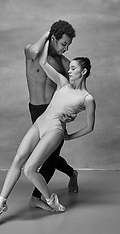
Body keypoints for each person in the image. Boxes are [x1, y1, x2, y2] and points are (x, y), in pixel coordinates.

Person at [0, 39, 96, 227]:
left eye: (73, 68)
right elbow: (42, 62)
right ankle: (1, 203)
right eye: (69, 68)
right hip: (40, 123)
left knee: (29, 169)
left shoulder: (87, 98)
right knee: (18, 159)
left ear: (83, 71)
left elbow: (90, 127)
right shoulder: (62, 82)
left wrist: (70, 136)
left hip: (54, 130)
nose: (68, 71)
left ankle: (50, 199)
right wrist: (48, 37)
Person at [24, 20, 78, 211]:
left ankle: (36, 197)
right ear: (52, 38)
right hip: (36, 111)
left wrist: (71, 113)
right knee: (49, 157)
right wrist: (47, 33)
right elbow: (32, 52)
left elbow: (73, 91)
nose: (66, 49)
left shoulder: (64, 63)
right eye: (63, 43)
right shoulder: (33, 52)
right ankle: (72, 173)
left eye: (68, 45)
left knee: (50, 157)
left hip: (55, 113)